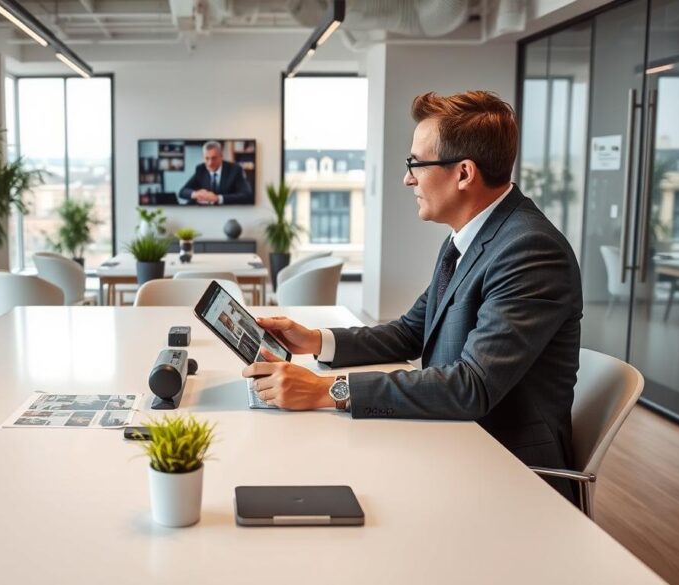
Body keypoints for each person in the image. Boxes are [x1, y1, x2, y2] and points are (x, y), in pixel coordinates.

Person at [242, 91, 583, 502]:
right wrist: (315, 340)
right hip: (449, 440)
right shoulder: (467, 238)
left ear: (463, 174)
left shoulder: (529, 249)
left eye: (416, 164)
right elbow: (411, 332)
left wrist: (323, 390)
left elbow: (470, 386)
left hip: (504, 472)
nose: (408, 178)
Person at [178, 141, 253, 205]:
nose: (210, 163)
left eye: (214, 158)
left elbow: (247, 195)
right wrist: (196, 194)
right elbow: (182, 192)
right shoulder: (201, 169)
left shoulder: (235, 169)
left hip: (228, 212)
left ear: (221, 156)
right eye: (206, 158)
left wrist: (217, 198)